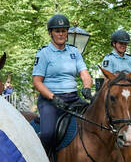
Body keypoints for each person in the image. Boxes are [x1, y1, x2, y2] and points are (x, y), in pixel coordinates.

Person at [32, 14, 93, 151]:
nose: (61, 34)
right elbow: (37, 81)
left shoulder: (74, 52)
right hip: (50, 100)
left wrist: (87, 88)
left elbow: (84, 74)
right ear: (50, 33)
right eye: (57, 31)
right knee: (48, 134)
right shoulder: (44, 53)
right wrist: (53, 97)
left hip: (73, 98)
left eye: (64, 30)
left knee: (96, 120)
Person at [99, 29, 131, 105]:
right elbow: (107, 78)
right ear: (114, 43)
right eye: (121, 43)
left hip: (129, 92)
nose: (123, 46)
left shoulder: (130, 59)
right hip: (116, 93)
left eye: (125, 44)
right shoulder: (108, 59)